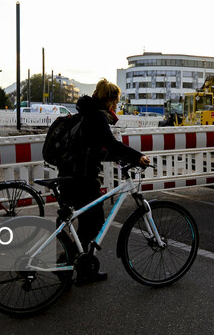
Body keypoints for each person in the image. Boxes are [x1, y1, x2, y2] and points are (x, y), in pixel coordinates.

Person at [58, 79, 150, 284]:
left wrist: (117, 157)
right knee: (95, 222)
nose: (116, 106)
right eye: (116, 102)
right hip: (81, 178)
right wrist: (137, 157)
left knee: (87, 223)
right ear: (109, 100)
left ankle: (79, 268)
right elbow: (110, 144)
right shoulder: (97, 117)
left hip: (71, 174)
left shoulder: (87, 113)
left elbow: (96, 147)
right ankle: (66, 262)